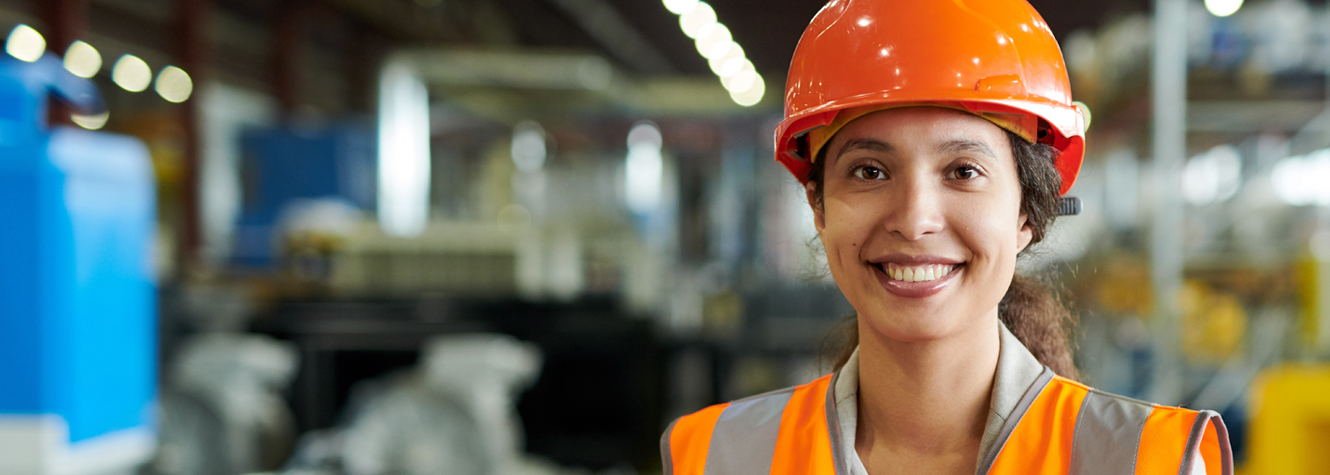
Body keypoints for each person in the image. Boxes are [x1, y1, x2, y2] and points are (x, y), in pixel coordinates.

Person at [660, 1, 1234, 474]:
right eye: (869, 171)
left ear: (1027, 213)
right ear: (818, 206)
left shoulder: (1146, 461)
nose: (914, 220)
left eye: (963, 171)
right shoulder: (720, 457)